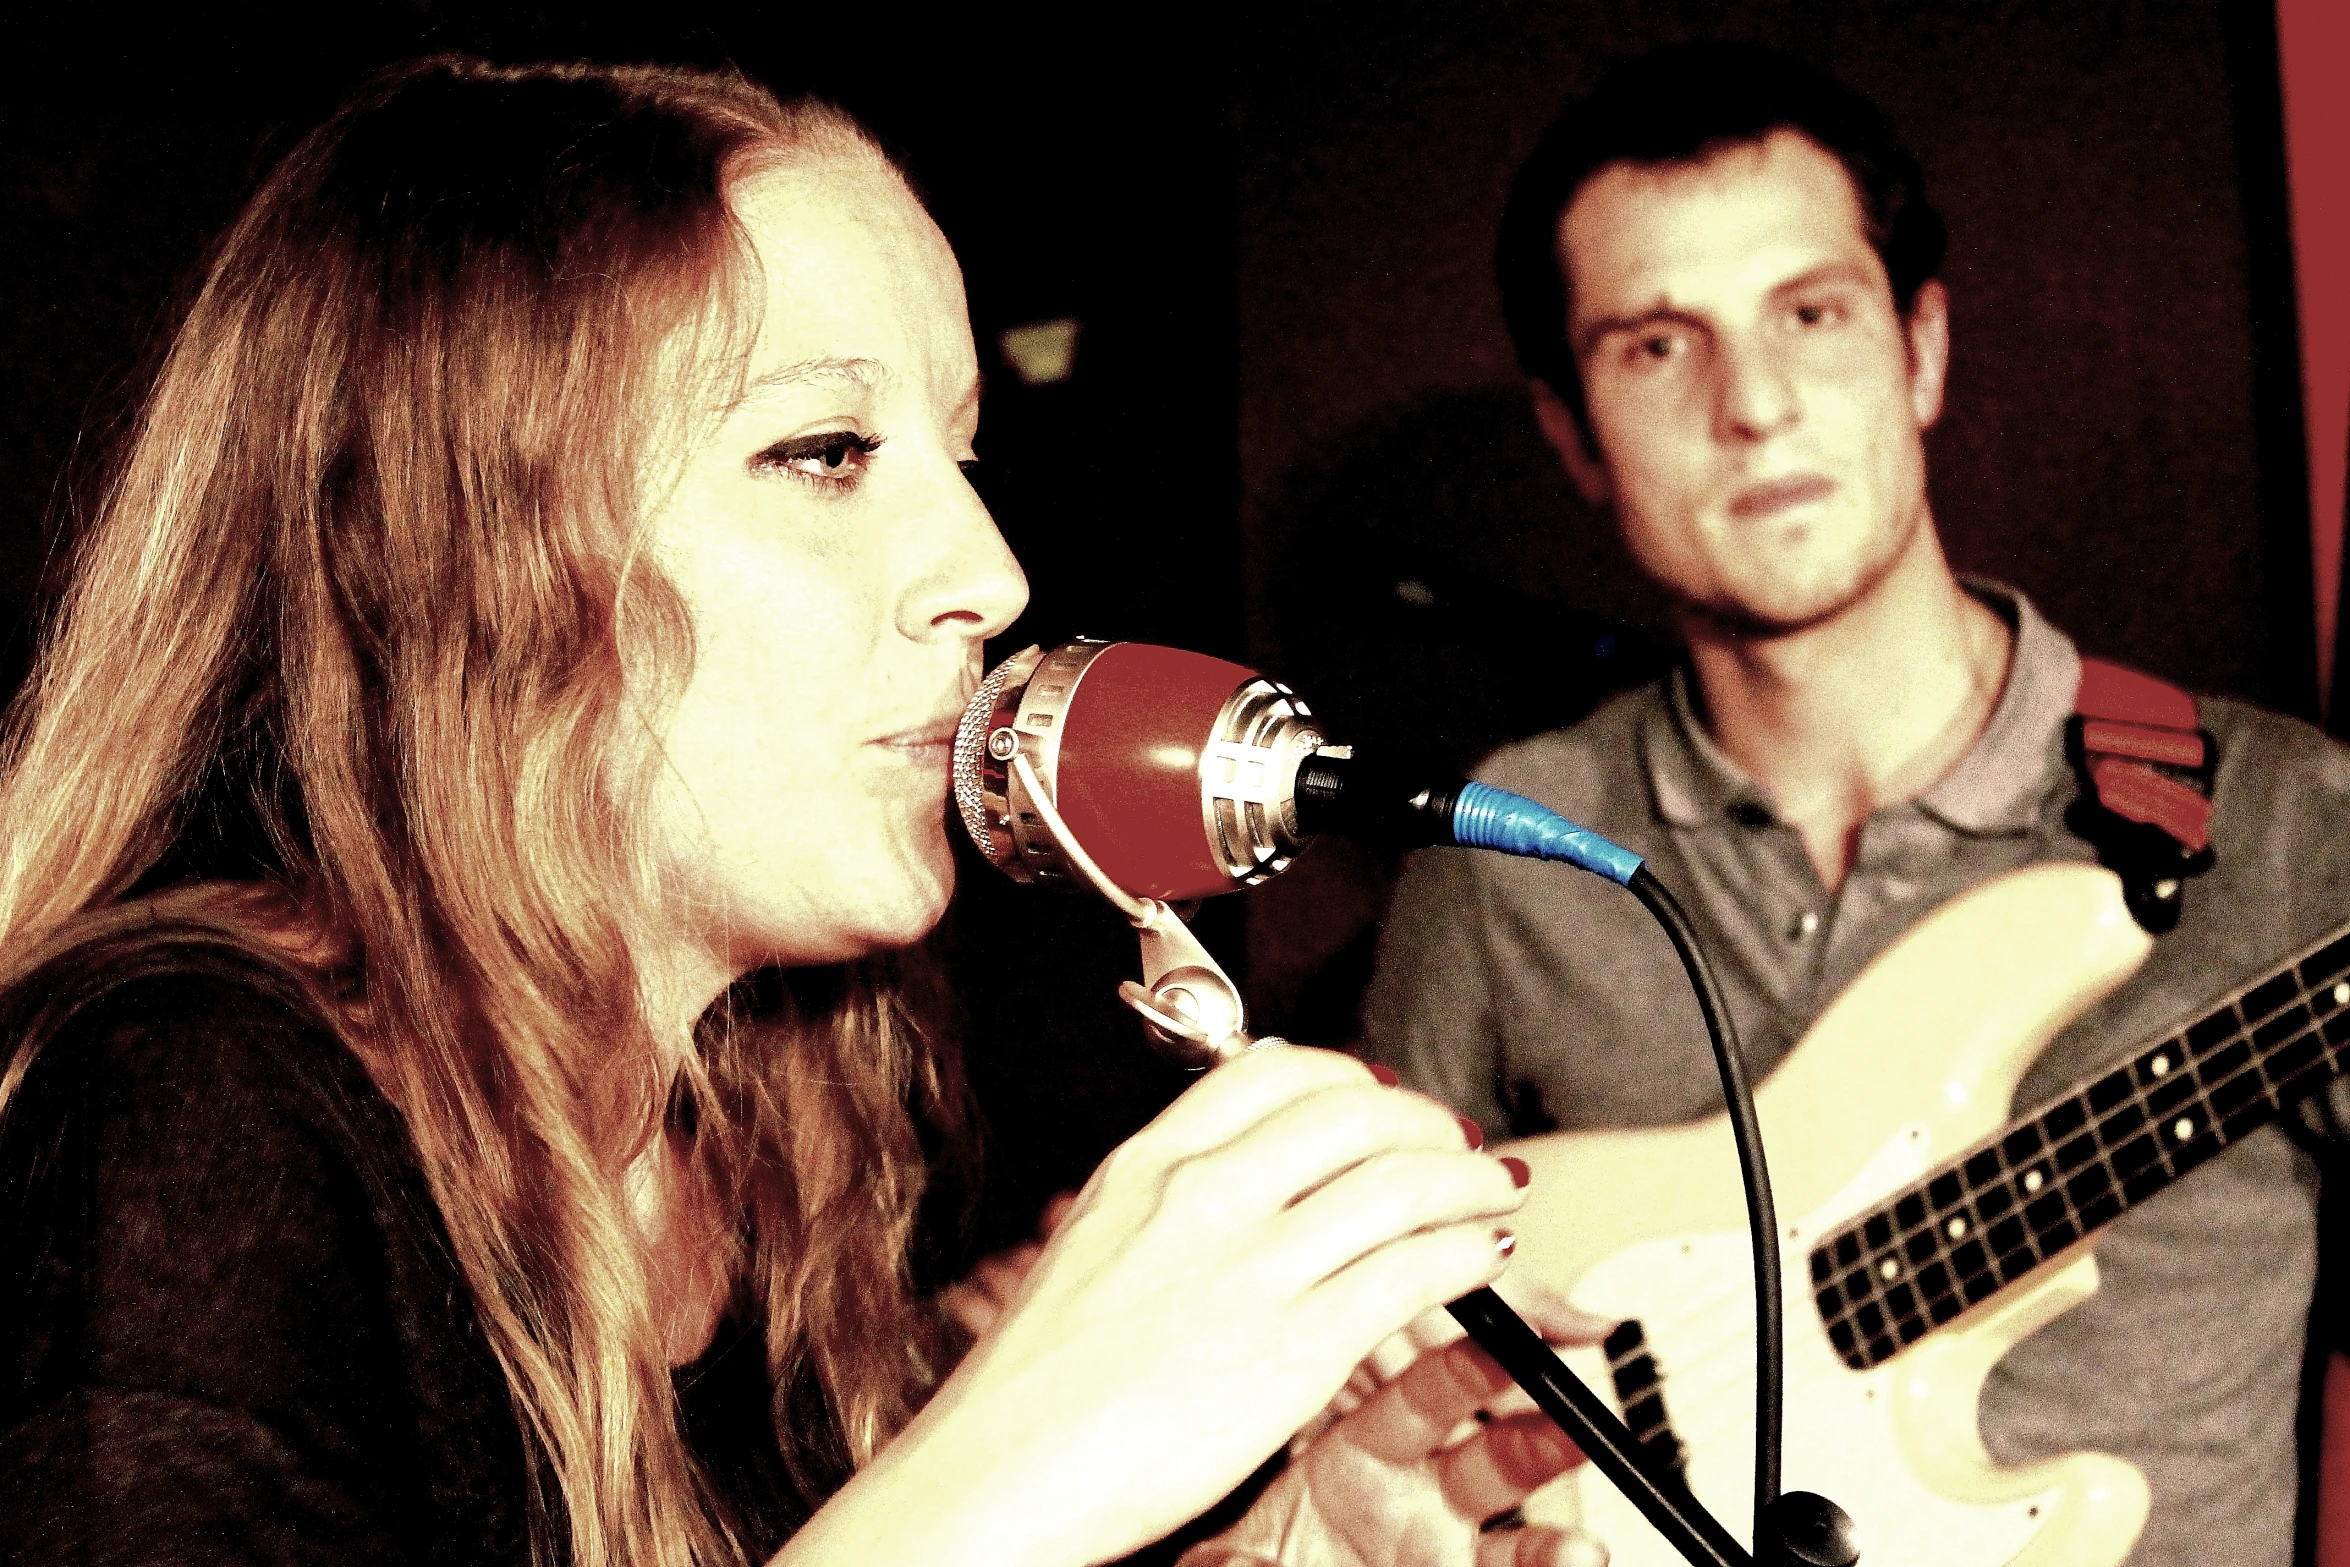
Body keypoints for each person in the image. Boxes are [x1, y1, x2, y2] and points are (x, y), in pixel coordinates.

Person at [0, 56, 1597, 1567]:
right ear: (443, 555)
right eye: (825, 451)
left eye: (963, 455)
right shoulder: (176, 1103)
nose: (988, 574)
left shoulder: (767, 1133)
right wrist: (1005, 1469)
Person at [1360, 39, 2350, 1567]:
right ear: (1567, 432)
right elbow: (1373, 1334)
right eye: (1653, 346)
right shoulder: (1509, 843)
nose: (1752, 404)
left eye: (1810, 315)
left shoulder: (2288, 819)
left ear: (1921, 349)